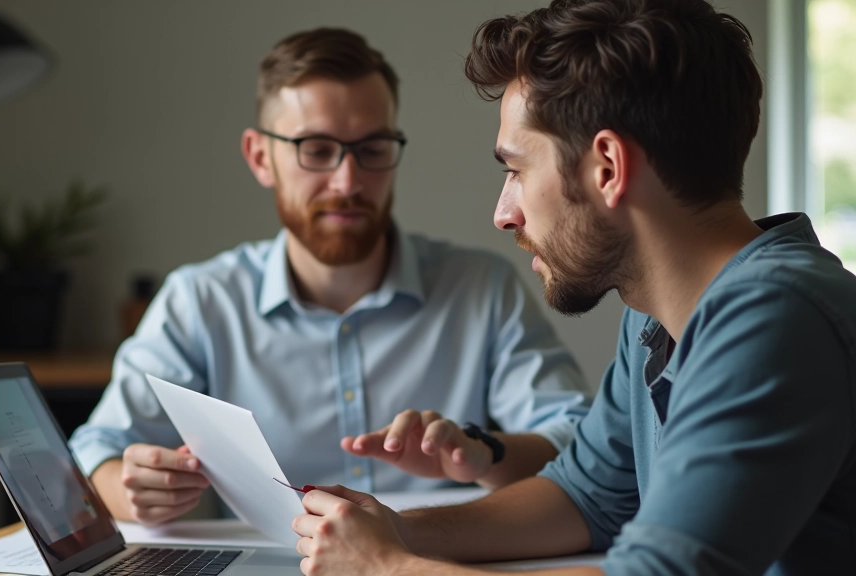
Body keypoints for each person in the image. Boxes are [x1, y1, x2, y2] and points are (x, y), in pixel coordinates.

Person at [291, 2, 856, 575]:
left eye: (516, 170)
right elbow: (584, 497)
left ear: (607, 168)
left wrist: (386, 568)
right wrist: (397, 531)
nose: (503, 214)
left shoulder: (776, 317)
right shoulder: (656, 315)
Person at [69, 27, 590, 527]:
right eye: (316, 150)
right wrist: (131, 488)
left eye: (372, 149)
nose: (348, 181)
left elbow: (578, 440)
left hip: (431, 560)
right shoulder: (202, 300)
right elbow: (96, 451)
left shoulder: (482, 289)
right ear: (260, 156)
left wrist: (482, 454)